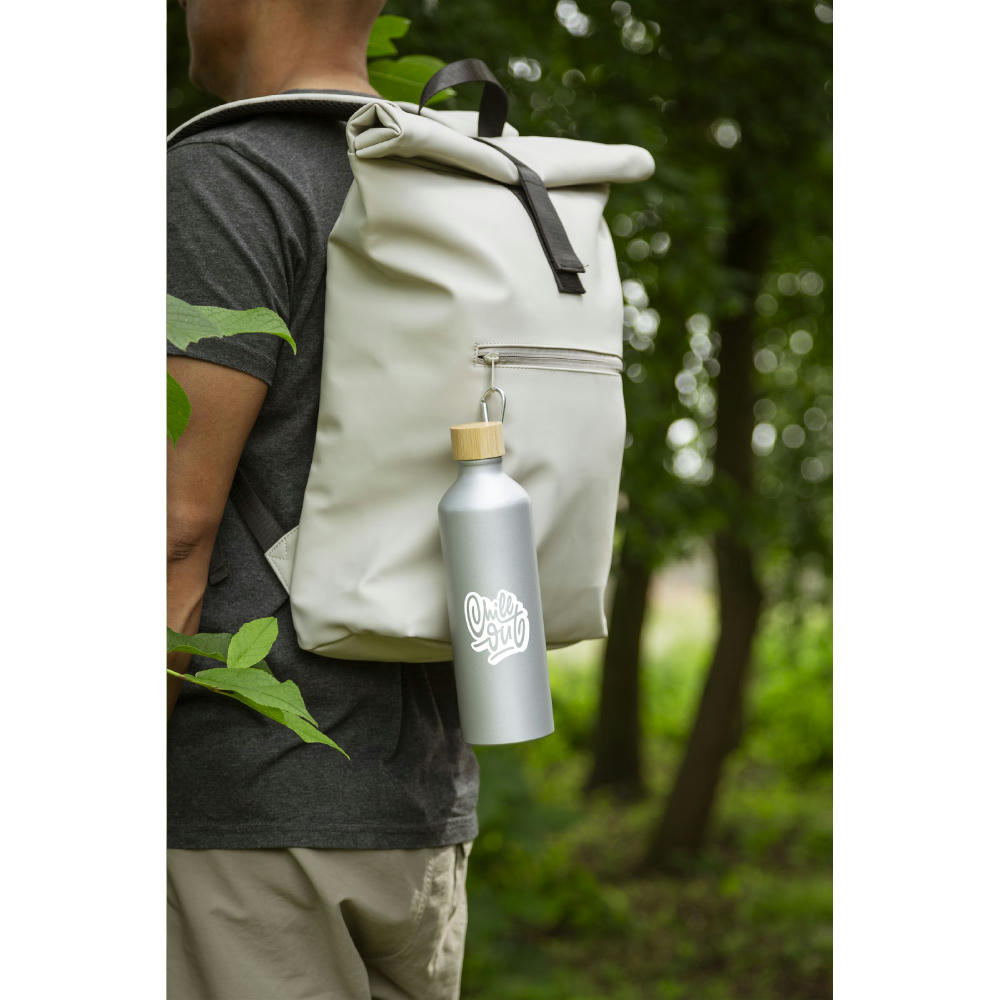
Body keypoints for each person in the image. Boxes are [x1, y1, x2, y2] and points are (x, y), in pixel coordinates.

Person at [166, 2, 478, 997]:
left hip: (243, 831)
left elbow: (171, 529)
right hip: (418, 824)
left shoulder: (227, 177)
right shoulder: (458, 185)